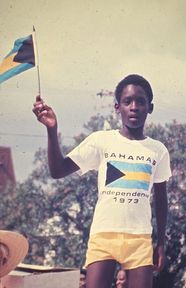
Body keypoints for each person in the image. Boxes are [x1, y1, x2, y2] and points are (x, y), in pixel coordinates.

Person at [33, 74, 171, 288]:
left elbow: (161, 200)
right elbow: (58, 170)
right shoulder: (101, 141)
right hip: (103, 236)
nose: (134, 107)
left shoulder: (158, 150)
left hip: (139, 239)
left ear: (149, 108)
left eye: (140, 102)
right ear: (117, 107)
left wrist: (161, 244)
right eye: (127, 102)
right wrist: (52, 129)